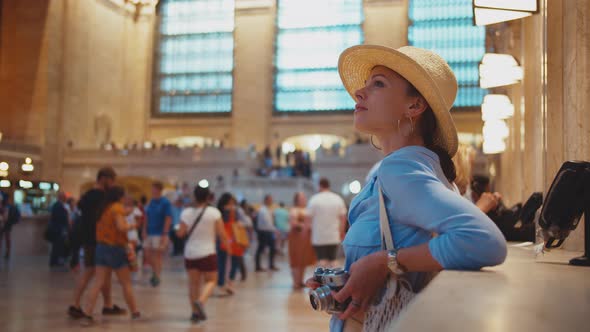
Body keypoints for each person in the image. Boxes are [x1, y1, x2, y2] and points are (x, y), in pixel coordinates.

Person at [306, 45, 507, 331]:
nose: (359, 93)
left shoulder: (400, 169)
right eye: (365, 84)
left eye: (378, 84)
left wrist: (383, 263)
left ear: (414, 106)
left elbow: (483, 242)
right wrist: (348, 277)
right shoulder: (420, 167)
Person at [68, 167, 125, 319]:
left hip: (89, 239)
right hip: (97, 240)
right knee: (90, 272)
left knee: (103, 274)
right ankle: (75, 304)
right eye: (111, 180)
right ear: (103, 178)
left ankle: (107, 305)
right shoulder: (101, 197)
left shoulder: (87, 195)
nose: (112, 184)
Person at [81, 186, 140, 325]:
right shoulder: (117, 208)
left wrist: (128, 212)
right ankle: (135, 311)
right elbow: (120, 226)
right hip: (116, 249)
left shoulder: (104, 208)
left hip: (101, 248)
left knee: (98, 282)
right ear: (119, 197)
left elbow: (116, 216)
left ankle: (88, 312)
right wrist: (133, 226)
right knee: (126, 283)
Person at [176, 185, 230, 323]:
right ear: (208, 197)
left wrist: (177, 228)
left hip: (190, 253)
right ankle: (201, 301)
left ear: (195, 196)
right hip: (207, 252)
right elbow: (222, 234)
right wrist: (228, 246)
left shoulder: (186, 213)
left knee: (193, 284)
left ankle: (194, 314)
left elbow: (180, 233)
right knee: (212, 281)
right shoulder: (214, 213)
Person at [307, 178, 347, 267]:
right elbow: (343, 217)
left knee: (321, 261)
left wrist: (309, 231)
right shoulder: (338, 199)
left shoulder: (314, 199)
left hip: (318, 236)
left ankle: (322, 280)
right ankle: (335, 280)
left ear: (319, 186)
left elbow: (308, 219)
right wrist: (342, 231)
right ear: (328, 185)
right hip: (333, 235)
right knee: (334, 260)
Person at [143, 181, 173, 287]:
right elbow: (146, 216)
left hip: (159, 233)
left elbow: (168, 218)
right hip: (149, 231)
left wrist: (165, 233)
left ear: (159, 190)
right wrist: (144, 229)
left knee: (157, 255)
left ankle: (156, 275)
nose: (152, 191)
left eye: (154, 189)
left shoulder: (165, 203)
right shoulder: (151, 202)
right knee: (147, 254)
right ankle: (155, 271)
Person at [288, 192, 316, 290]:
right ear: (296, 200)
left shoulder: (307, 209)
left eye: (304, 197)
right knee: (296, 259)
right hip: (296, 236)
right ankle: (295, 282)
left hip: (306, 237)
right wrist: (304, 226)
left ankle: (300, 281)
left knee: (303, 259)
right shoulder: (294, 210)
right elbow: (293, 223)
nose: (303, 199)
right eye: (301, 198)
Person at [254, 194, 279, 272]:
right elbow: (267, 223)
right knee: (261, 249)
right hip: (264, 232)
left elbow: (270, 222)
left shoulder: (267, 210)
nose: (271, 201)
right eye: (270, 200)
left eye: (271, 200)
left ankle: (271, 265)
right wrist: (275, 230)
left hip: (268, 231)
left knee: (272, 248)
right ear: (266, 200)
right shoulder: (263, 210)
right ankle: (258, 266)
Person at [48, 191, 70, 268]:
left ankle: (55, 261)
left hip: (58, 228)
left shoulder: (58, 205)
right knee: (57, 246)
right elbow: (60, 218)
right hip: (58, 229)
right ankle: (55, 261)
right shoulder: (58, 206)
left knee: (57, 246)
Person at [0, 194, 20, 259]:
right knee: (7, 238)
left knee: (6, 238)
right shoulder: (8, 206)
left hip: (5, 225)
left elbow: (5, 217)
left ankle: (7, 252)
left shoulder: (6, 207)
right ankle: (7, 252)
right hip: (7, 225)